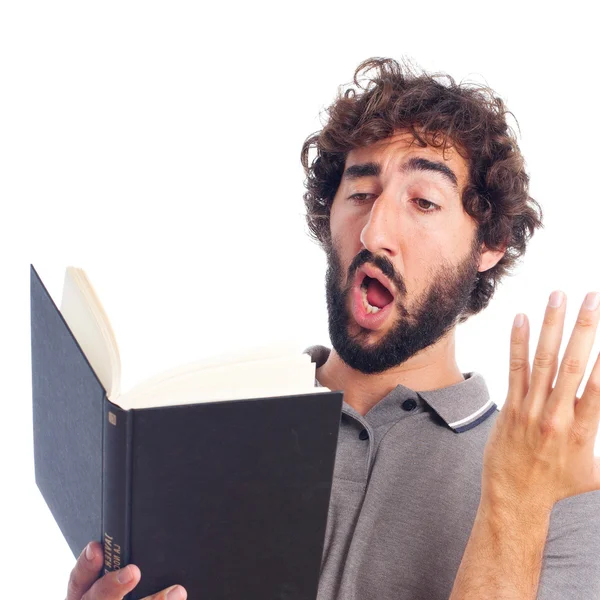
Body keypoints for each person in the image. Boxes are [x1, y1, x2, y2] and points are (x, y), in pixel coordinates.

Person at [64, 58, 600, 600]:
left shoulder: (548, 483)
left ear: (488, 246)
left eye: (423, 202)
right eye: (361, 194)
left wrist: (513, 500)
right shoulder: (205, 426)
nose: (374, 231)